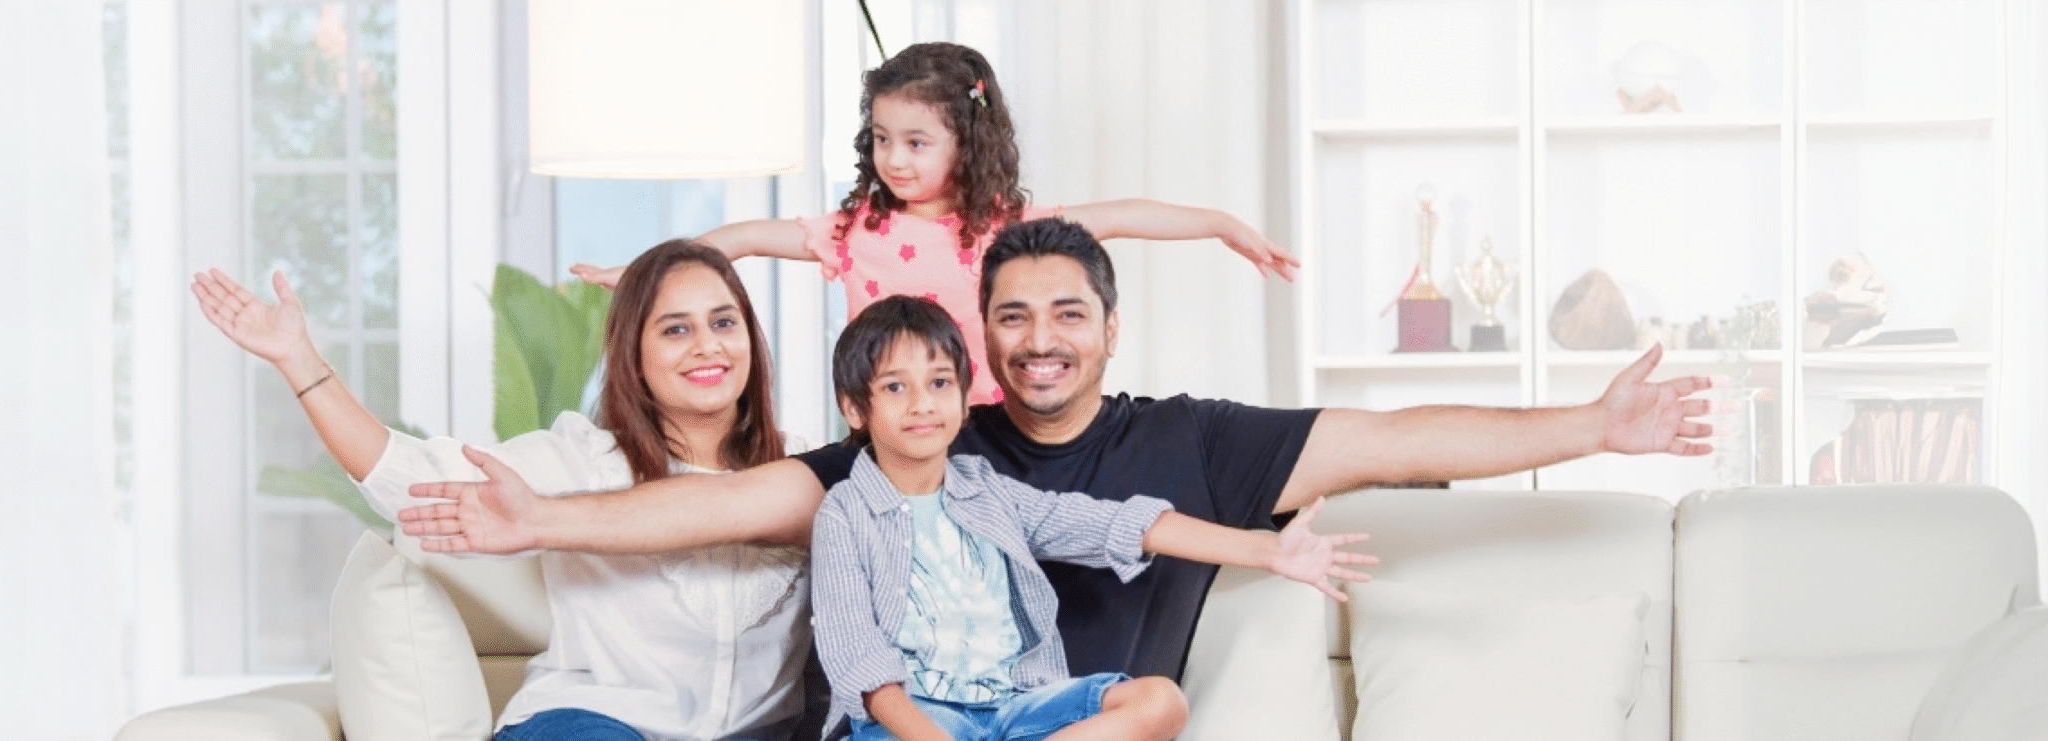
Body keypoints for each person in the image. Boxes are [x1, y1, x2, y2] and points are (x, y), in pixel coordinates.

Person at [401, 217, 1714, 684]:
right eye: (1010, 316)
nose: (1036, 341)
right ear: (981, 335)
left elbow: (1395, 433)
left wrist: (1593, 428)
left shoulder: (1199, 444)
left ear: (1107, 326)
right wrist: (542, 524)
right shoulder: (924, 437)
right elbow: (737, 503)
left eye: (1064, 315)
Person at [191, 239, 814, 741]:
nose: (708, 346)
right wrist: (298, 360)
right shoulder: (580, 459)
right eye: (675, 330)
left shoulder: (804, 472)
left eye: (723, 322)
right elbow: (404, 477)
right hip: (592, 725)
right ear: (634, 355)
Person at [568, 42, 1297, 406]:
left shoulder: (1008, 229)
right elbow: (750, 237)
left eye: (916, 143)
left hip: (986, 432)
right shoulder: (858, 229)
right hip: (889, 429)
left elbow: (1123, 216)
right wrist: (644, 269)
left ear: (966, 143)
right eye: (882, 139)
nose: (894, 159)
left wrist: (1221, 224)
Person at [808, 295, 1378, 741]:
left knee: (1160, 702)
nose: (922, 404)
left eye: (938, 383)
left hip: (1017, 709)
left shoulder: (984, 490)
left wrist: (1264, 550)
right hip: (914, 720)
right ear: (855, 407)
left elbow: (1113, 525)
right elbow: (865, 669)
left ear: (962, 395)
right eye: (894, 388)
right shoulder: (844, 515)